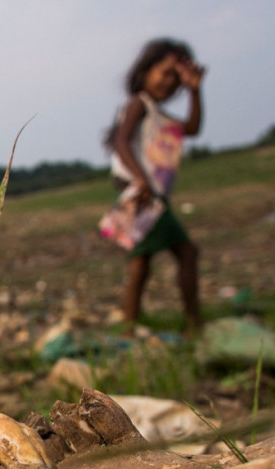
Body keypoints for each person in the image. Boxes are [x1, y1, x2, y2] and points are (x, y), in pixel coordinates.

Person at [105, 38, 205, 334]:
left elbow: (192, 128)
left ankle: (130, 324)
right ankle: (191, 323)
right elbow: (121, 141)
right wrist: (140, 178)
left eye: (177, 77)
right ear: (145, 71)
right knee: (184, 253)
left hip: (149, 194)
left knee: (141, 261)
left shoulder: (158, 114)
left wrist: (195, 90)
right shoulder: (139, 105)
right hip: (141, 194)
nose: (170, 82)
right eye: (165, 73)